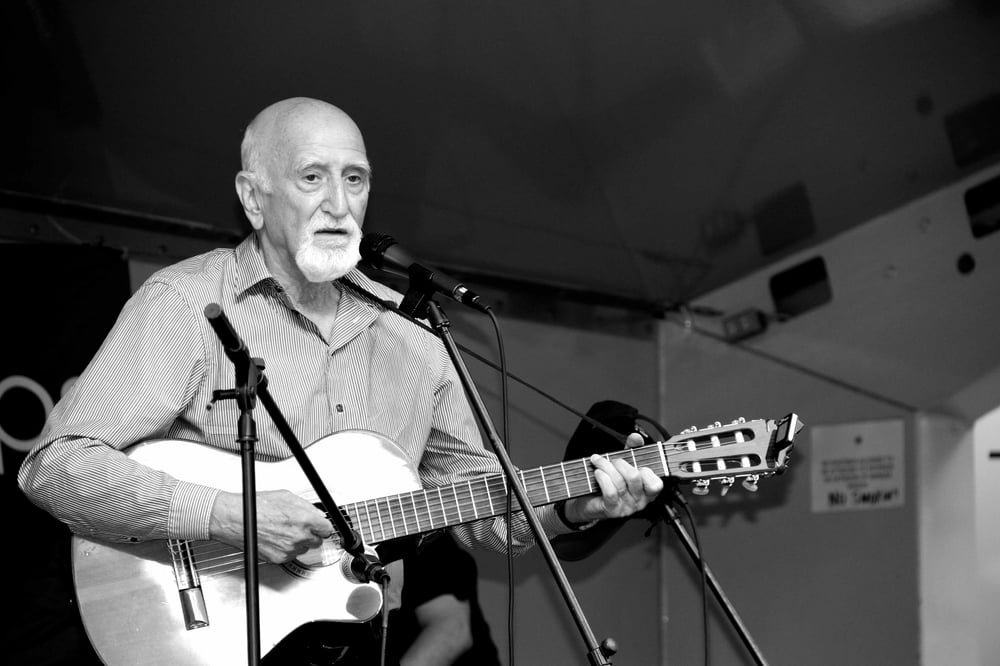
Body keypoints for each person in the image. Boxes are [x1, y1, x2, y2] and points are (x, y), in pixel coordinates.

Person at [17, 96, 663, 664]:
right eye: (311, 177)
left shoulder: (415, 335)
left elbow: (485, 510)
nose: (338, 202)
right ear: (252, 197)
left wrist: (579, 505)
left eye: (355, 179)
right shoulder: (184, 302)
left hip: (358, 644)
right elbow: (55, 467)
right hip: (202, 636)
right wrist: (230, 517)